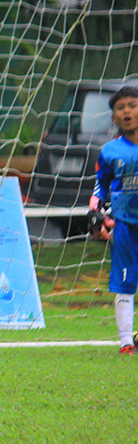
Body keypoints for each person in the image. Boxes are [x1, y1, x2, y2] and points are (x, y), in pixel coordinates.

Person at [89, 85, 138, 355]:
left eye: (132, 105)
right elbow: (101, 184)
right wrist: (95, 210)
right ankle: (125, 342)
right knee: (125, 282)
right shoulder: (110, 151)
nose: (127, 111)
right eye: (121, 108)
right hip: (125, 225)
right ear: (114, 117)